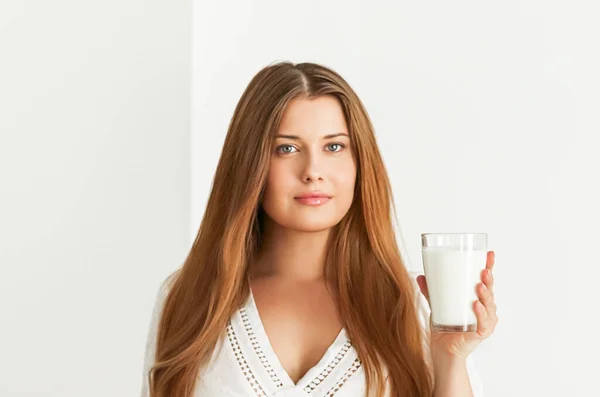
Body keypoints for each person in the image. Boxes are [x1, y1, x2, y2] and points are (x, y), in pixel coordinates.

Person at [140, 61, 498, 397]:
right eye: (287, 148)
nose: (313, 170)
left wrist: (451, 358)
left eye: (334, 146)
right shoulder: (188, 298)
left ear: (360, 163)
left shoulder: (416, 305)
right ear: (250, 164)